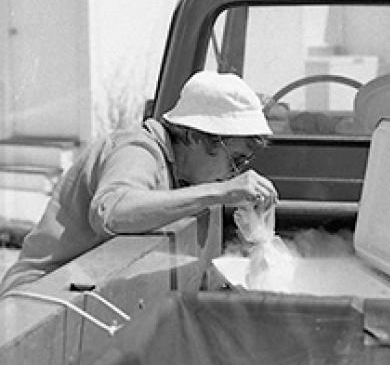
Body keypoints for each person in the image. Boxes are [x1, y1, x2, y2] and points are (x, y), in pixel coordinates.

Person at [0, 71, 277, 294]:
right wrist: (220, 192)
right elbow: (112, 212)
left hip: (88, 298)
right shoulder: (137, 149)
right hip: (39, 300)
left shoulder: (182, 176)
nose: (234, 172)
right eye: (235, 159)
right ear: (195, 137)